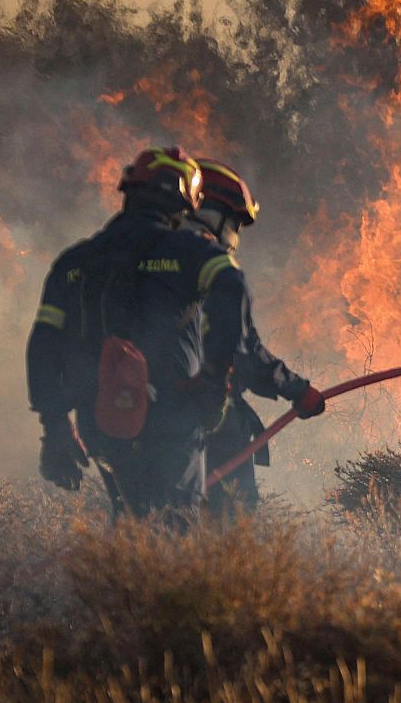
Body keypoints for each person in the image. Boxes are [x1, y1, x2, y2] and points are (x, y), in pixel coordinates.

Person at [25, 146, 321, 517]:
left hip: (100, 421)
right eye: (232, 225)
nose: (232, 237)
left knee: (133, 522)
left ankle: (124, 572)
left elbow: (44, 346)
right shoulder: (187, 255)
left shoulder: (77, 259)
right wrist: (223, 383)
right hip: (171, 416)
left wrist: (54, 426)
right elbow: (237, 317)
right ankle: (200, 568)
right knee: (178, 524)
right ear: (193, 204)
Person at [188, 158, 323, 516]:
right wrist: (297, 389)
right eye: (232, 223)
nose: (234, 234)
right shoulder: (212, 268)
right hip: (207, 413)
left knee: (150, 518)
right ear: (211, 213)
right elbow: (243, 352)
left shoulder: (144, 258)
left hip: (138, 414)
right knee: (231, 513)